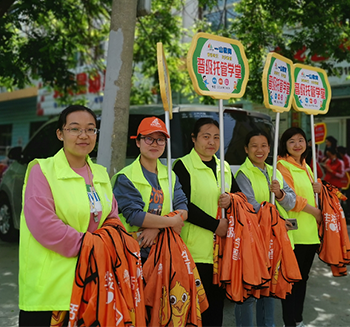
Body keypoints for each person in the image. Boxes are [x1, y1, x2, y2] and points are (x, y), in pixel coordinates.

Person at [18, 105, 119, 327]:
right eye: (75, 129)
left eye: (91, 129)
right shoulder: (42, 170)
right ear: (60, 134)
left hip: (93, 287)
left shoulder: (101, 174)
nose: (84, 135)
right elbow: (44, 225)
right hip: (51, 292)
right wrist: (91, 245)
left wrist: (104, 242)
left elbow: (113, 218)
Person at [173, 117, 240, 327]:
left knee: (216, 307)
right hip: (194, 251)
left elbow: (240, 199)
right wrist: (215, 225)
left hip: (221, 252)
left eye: (217, 137)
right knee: (193, 309)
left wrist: (231, 200)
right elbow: (183, 205)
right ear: (194, 139)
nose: (211, 142)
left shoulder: (225, 167)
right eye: (206, 136)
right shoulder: (183, 165)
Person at [234, 130, 298, 327]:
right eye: (254, 146)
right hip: (255, 242)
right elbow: (250, 205)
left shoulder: (274, 171)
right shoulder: (242, 174)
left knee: (270, 291)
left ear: (269, 148)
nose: (259, 150)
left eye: (263, 145)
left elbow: (291, 200)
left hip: (277, 242)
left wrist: (279, 192)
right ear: (246, 149)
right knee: (250, 292)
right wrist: (278, 221)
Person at [113, 116, 188, 263]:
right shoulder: (126, 177)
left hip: (165, 251)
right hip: (133, 253)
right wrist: (171, 222)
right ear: (137, 142)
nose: (155, 144)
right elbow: (134, 216)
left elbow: (183, 209)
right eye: (148, 138)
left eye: (160, 139)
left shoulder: (170, 175)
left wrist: (158, 228)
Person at [277, 127, 322, 327]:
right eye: (292, 141)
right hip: (295, 234)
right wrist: (316, 212)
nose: (297, 145)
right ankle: (290, 322)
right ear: (285, 145)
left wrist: (319, 189)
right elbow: (290, 199)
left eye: (301, 140)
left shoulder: (306, 166)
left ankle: (299, 319)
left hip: (311, 233)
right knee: (291, 281)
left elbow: (312, 195)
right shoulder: (282, 166)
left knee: (303, 279)